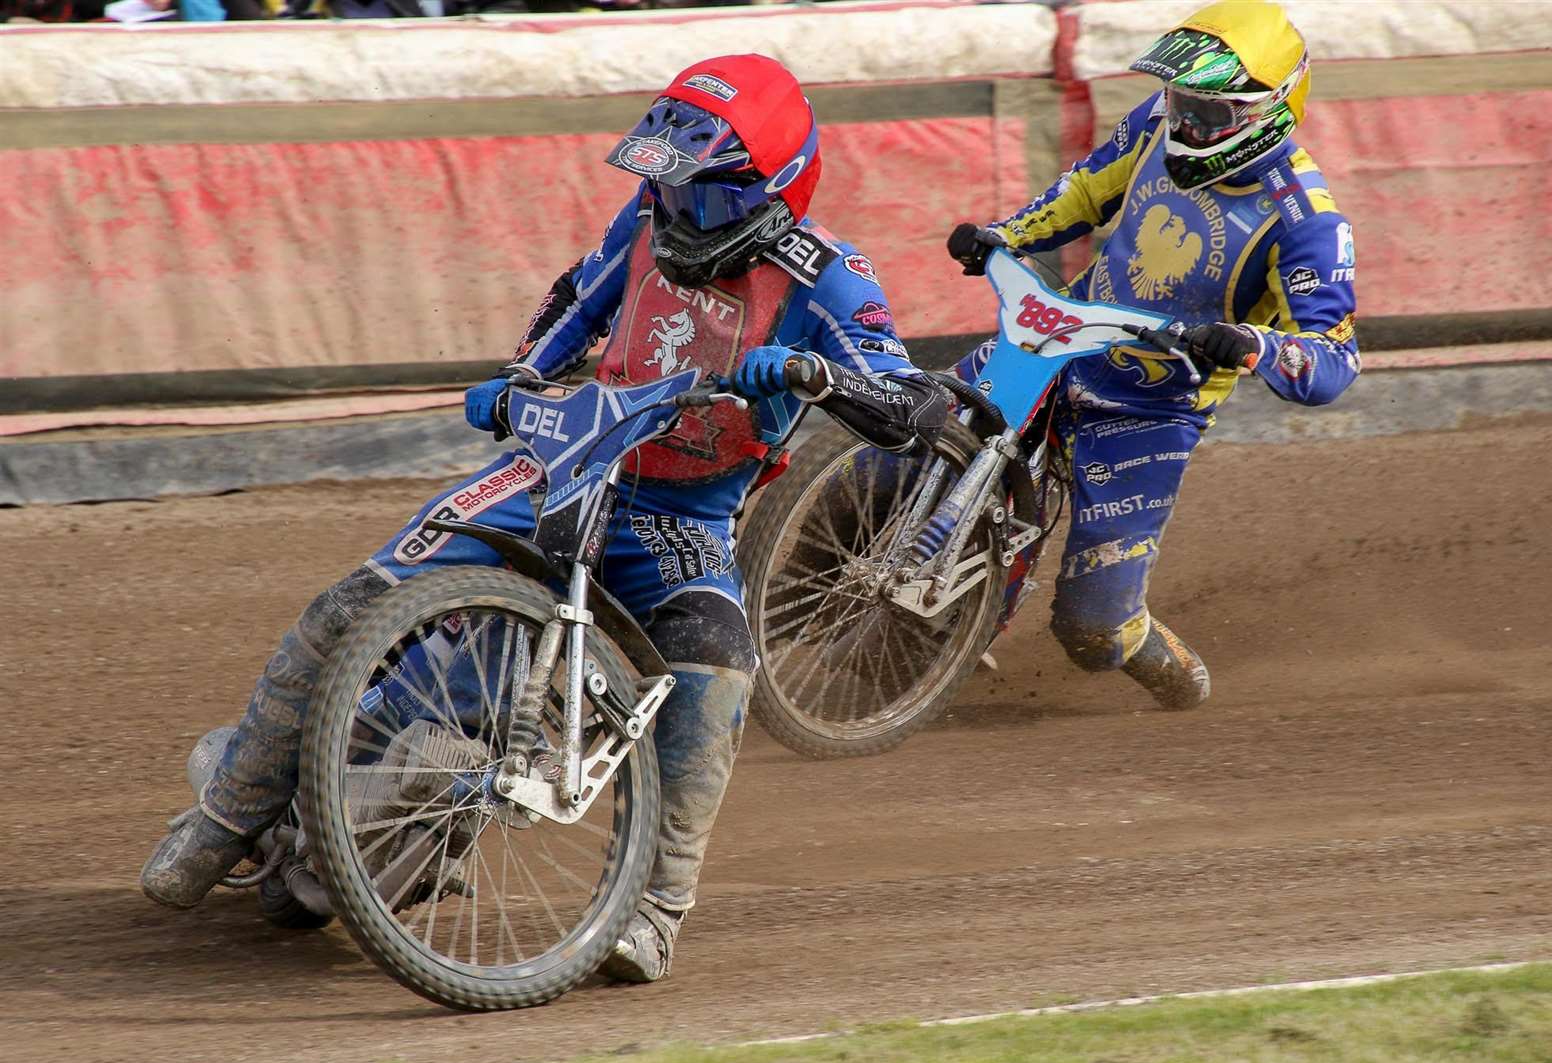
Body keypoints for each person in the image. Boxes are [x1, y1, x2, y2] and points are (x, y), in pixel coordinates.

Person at [142, 53, 946, 985]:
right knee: (346, 606)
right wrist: (526, 374)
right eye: (670, 188)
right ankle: (226, 812)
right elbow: (578, 297)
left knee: (719, 669)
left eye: (707, 200)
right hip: (560, 461)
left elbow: (914, 405)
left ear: (776, 193)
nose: (681, 214)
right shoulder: (646, 220)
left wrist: (816, 375)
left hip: (680, 518)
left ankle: (657, 907)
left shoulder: (829, 280)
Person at [946, 0, 1359, 711]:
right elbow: (1087, 190)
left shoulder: (1307, 221)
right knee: (903, 445)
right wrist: (1004, 236)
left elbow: (1334, 359)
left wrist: (1255, 344)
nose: (1187, 124)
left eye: (1210, 112)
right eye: (1181, 101)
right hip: (1064, 341)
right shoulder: (1155, 121)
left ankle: (1162, 660)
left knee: (1091, 629)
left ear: (1271, 111)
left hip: (1152, 410)